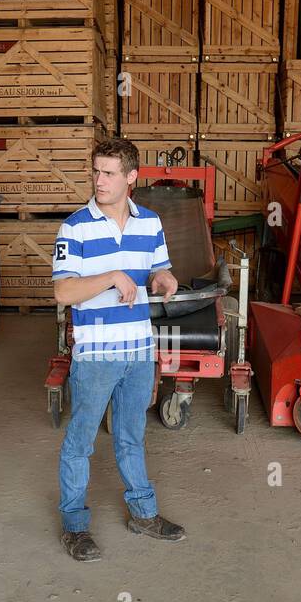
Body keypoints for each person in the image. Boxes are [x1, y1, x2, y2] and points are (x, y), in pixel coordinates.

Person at [51, 138, 186, 562]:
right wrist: (112, 275)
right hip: (96, 356)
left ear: (132, 177)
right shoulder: (75, 227)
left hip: (140, 351)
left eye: (109, 173)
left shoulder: (150, 223)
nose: (99, 180)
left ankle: (143, 514)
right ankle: (75, 527)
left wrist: (166, 279)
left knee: (132, 437)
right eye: (95, 171)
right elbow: (63, 291)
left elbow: (159, 267)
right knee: (81, 442)